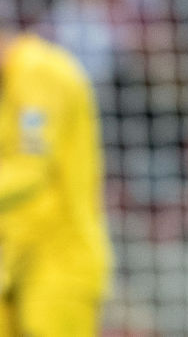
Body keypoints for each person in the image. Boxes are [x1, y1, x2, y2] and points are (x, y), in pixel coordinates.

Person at [0, 28, 113, 336]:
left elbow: (31, 169)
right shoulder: (8, 84)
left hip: (59, 262)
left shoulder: (40, 73)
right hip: (15, 260)